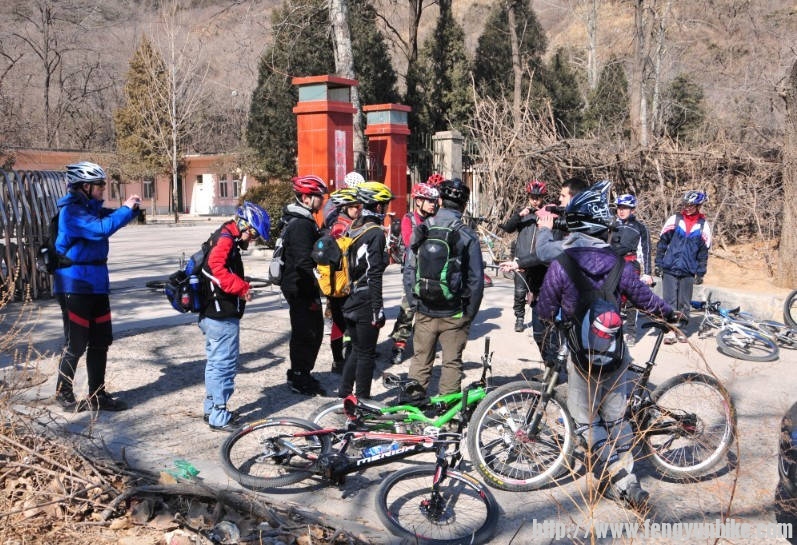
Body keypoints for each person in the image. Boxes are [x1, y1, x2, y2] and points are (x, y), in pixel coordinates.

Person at [535, 180, 679, 509]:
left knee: (584, 420)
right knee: (617, 419)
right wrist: (671, 314)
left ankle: (621, 478)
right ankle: (626, 476)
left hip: (580, 355)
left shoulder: (562, 263)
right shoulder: (619, 264)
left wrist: (554, 322)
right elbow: (645, 298)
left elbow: (545, 309)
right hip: (615, 354)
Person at [53, 161, 142, 412]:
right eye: (100, 185)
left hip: (96, 285)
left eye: (104, 184)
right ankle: (63, 393)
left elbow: (109, 219)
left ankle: (97, 394)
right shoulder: (71, 212)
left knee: (101, 340)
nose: (104, 189)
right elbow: (100, 230)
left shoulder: (90, 209)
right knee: (76, 343)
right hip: (74, 285)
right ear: (84, 187)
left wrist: (130, 210)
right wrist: (125, 209)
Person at [403, 178, 484, 400]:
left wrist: (414, 302)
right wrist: (469, 313)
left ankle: (412, 412)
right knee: (451, 363)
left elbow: (409, 268)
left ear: (439, 200)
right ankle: (446, 418)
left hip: (424, 309)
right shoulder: (466, 234)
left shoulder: (422, 228)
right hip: (455, 312)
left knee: (420, 360)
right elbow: (476, 279)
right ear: (465, 205)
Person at [199, 202, 270, 431]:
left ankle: (211, 409)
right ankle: (219, 415)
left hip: (213, 312)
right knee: (224, 365)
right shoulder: (226, 239)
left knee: (215, 363)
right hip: (221, 314)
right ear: (244, 225)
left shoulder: (225, 235)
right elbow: (213, 269)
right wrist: (242, 288)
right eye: (254, 234)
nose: (253, 240)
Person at [337, 181, 393, 399]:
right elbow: (375, 274)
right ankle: (362, 401)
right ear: (378, 206)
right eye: (385, 204)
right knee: (367, 354)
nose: (386, 208)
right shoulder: (375, 233)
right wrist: (377, 309)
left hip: (350, 295)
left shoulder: (354, 226)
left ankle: (344, 392)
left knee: (356, 349)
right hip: (366, 298)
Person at [281, 174, 328, 396]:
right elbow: (303, 261)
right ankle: (300, 377)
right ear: (306, 198)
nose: (322, 200)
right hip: (300, 287)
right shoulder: (301, 224)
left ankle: (300, 372)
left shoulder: (299, 219)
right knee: (307, 332)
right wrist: (319, 285)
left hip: (298, 285)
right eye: (319, 196)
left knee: (308, 330)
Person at [388, 180, 440, 365]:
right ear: (418, 201)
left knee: (429, 310)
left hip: (432, 272)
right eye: (429, 200)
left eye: (435, 201)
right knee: (408, 308)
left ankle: (424, 345)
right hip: (413, 271)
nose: (433, 204)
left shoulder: (436, 219)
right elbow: (411, 241)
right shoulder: (408, 219)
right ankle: (399, 345)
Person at [655, 190, 712, 344]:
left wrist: (701, 272)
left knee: (684, 302)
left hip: (688, 270)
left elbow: (703, 252)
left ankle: (682, 330)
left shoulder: (703, 226)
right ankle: (671, 330)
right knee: (669, 301)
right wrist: (658, 263)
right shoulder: (675, 219)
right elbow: (662, 243)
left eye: (691, 205)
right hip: (670, 267)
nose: (687, 207)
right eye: (686, 204)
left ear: (698, 206)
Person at [499, 180, 549, 336]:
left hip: (538, 261)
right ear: (528, 196)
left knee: (537, 293)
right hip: (520, 259)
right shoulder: (523, 214)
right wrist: (519, 215)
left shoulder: (547, 215)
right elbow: (508, 228)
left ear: (543, 197)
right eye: (532, 196)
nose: (535, 200)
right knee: (520, 292)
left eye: (538, 197)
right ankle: (519, 318)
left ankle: (539, 320)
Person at [608, 194, 654, 346]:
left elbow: (646, 251)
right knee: (612, 298)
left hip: (630, 264)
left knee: (631, 300)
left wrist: (647, 273)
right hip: (612, 263)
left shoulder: (640, 228)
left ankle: (631, 333)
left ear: (632, 209)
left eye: (625, 208)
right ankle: (612, 329)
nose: (621, 211)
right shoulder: (611, 224)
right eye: (619, 207)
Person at [326, 187, 362, 373]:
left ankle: (344, 359)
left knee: (344, 323)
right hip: (340, 283)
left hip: (346, 281)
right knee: (341, 324)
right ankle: (339, 361)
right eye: (354, 206)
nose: (358, 209)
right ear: (345, 207)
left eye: (359, 205)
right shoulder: (341, 226)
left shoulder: (351, 223)